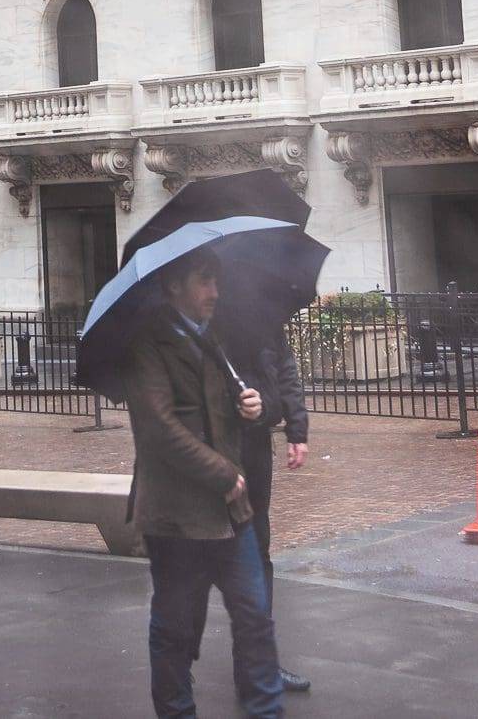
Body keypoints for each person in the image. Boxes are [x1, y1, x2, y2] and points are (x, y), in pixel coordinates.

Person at [120, 247, 284, 719]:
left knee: (254, 617)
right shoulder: (147, 344)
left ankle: (265, 711)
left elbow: (230, 410)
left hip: (233, 512)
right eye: (204, 280)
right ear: (174, 286)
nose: (215, 291)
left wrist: (255, 408)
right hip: (178, 517)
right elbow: (158, 428)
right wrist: (223, 473)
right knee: (175, 629)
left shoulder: (214, 338)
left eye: (216, 280)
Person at [192, 328, 311, 697]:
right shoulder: (194, 318)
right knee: (196, 556)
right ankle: (177, 660)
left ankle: (257, 665)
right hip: (209, 453)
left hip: (255, 448)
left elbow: (284, 369)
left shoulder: (261, 313)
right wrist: (234, 405)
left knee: (257, 553)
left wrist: (295, 425)